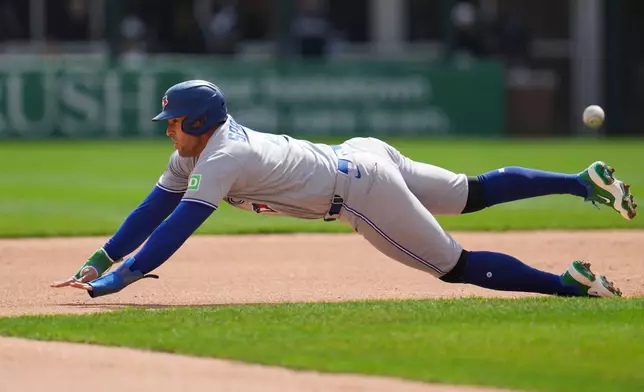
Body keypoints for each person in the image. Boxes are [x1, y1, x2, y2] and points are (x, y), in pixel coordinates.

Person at [51, 80, 637, 298]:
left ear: (198, 124)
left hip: (359, 191)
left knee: (455, 267)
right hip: (359, 153)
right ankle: (582, 183)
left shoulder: (221, 158)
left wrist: (119, 279)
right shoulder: (198, 151)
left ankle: (569, 287)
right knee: (475, 193)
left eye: (174, 122)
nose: (169, 130)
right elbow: (153, 207)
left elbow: (177, 227)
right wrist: (102, 256)